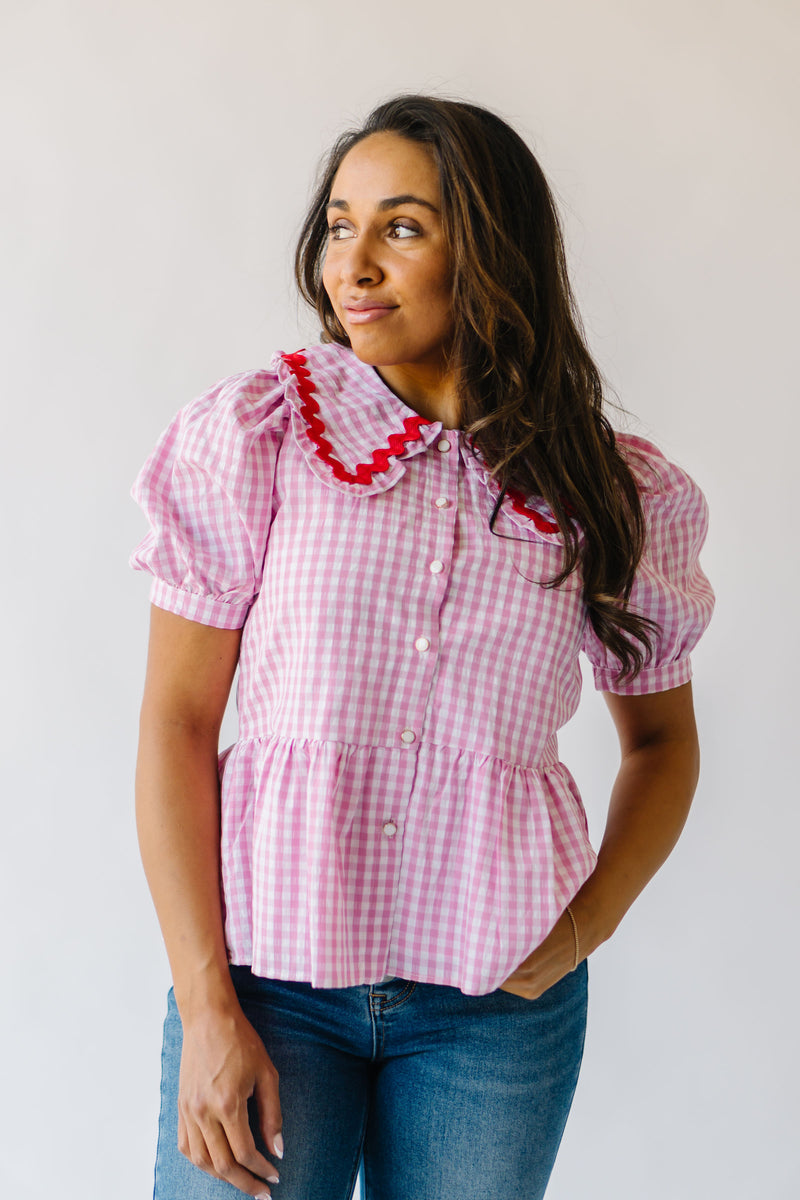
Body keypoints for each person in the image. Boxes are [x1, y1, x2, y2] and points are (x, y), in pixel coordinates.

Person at [131, 95, 714, 1200]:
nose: (352, 263)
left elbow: (661, 745)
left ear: (490, 256)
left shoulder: (611, 491)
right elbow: (176, 723)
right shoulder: (265, 434)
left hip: (495, 1010)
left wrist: (585, 923)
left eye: (400, 227)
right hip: (266, 983)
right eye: (337, 224)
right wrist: (206, 1004)